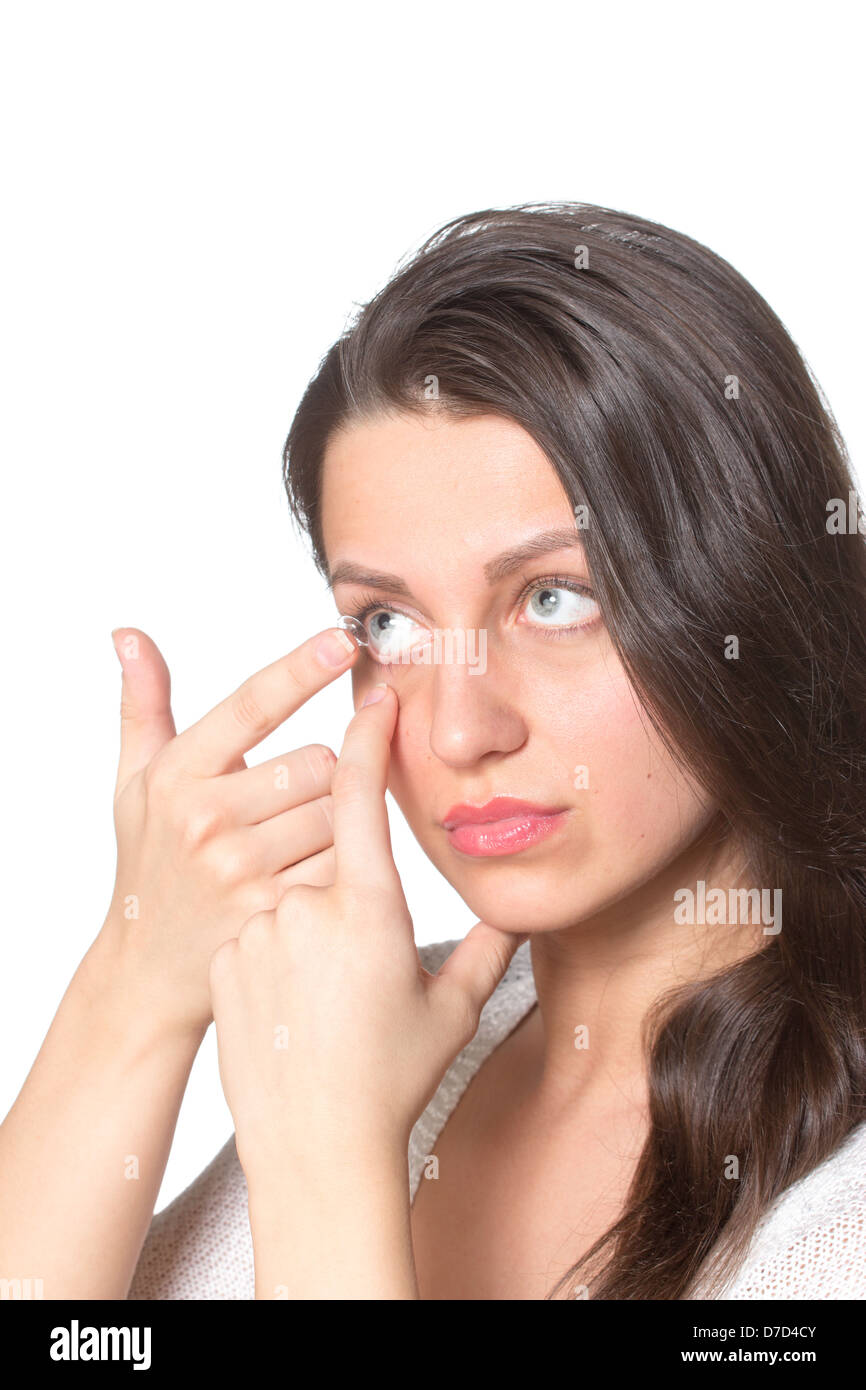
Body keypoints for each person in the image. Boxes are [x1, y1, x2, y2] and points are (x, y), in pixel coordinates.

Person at [2, 203, 864, 1300]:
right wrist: (136, 984)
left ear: (744, 594)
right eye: (388, 626)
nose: (460, 730)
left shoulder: (831, 1224)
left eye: (553, 599)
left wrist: (327, 1166)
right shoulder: (374, 1028)